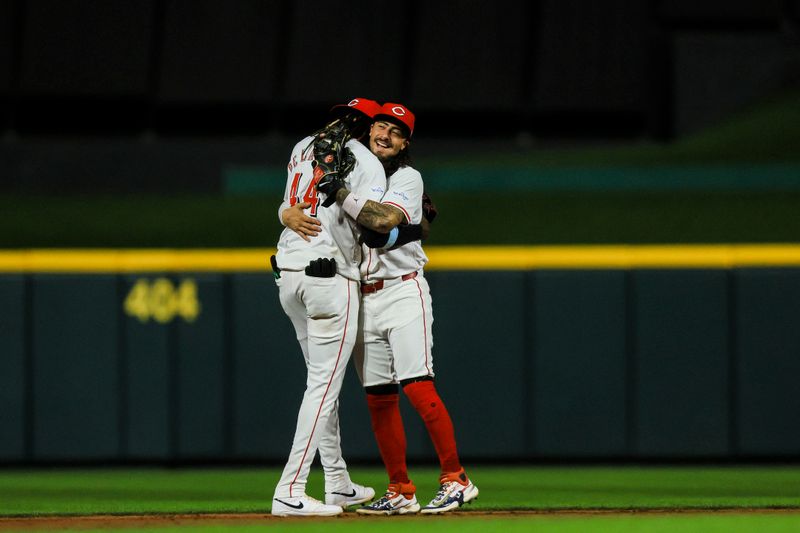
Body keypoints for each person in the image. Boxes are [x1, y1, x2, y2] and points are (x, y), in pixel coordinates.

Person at [315, 102, 479, 515]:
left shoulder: (407, 176)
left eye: (396, 131)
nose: (384, 135)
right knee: (378, 399)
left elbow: (383, 222)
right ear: (369, 132)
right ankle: (401, 490)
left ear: (406, 143)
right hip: (362, 295)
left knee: (418, 385)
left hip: (403, 291)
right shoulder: (356, 173)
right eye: (380, 127)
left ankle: (456, 479)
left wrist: (338, 191)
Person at [269, 97, 385, 517]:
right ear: (366, 127)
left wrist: (284, 213)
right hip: (329, 278)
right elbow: (371, 220)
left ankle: (336, 481)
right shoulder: (364, 158)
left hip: (289, 272)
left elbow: (290, 208)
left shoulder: (302, 145)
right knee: (322, 388)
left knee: (322, 385)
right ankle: (290, 488)